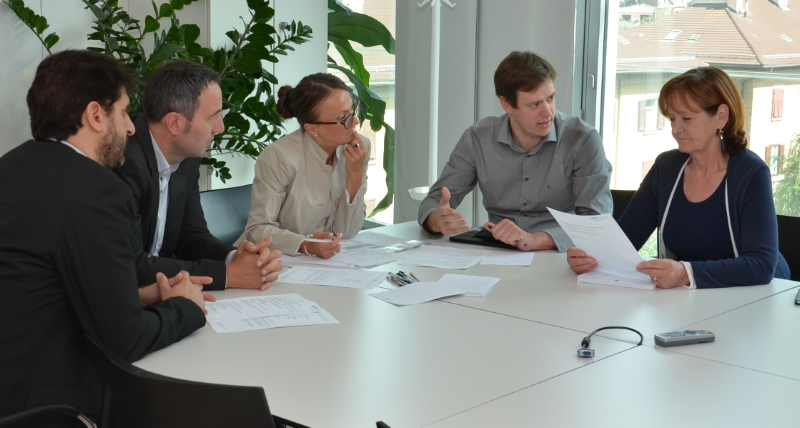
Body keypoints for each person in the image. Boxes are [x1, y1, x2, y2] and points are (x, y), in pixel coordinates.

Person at [0, 50, 211, 424]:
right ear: (96, 115)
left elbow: (38, 286)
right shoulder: (98, 191)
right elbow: (125, 340)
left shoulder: (11, 167)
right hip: (46, 403)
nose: (130, 128)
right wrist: (186, 307)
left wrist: (137, 296)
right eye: (124, 113)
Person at [567, 67, 791, 288]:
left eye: (687, 118)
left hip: (759, 293)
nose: (676, 129)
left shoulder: (751, 173)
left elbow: (761, 265)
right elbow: (625, 240)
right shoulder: (666, 167)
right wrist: (590, 258)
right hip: (688, 296)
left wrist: (686, 274)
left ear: (721, 117)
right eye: (672, 119)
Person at [418, 51, 612, 252]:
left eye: (550, 98)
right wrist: (436, 220)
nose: (548, 112)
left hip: (562, 254)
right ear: (507, 104)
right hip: (499, 252)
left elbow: (596, 222)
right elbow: (433, 202)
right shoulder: (478, 138)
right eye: (535, 104)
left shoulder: (583, 139)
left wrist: (535, 240)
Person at [114, 60, 282, 291]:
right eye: (213, 117)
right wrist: (229, 275)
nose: (220, 128)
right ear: (175, 123)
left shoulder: (186, 155)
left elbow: (190, 236)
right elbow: (131, 266)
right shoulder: (123, 162)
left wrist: (234, 257)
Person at [243, 73, 370, 258]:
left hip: (333, 263)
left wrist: (355, 173)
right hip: (274, 260)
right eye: (344, 118)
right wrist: (305, 245)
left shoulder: (359, 148)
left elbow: (348, 231)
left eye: (353, 110)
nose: (356, 121)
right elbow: (257, 229)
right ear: (312, 128)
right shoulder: (279, 156)